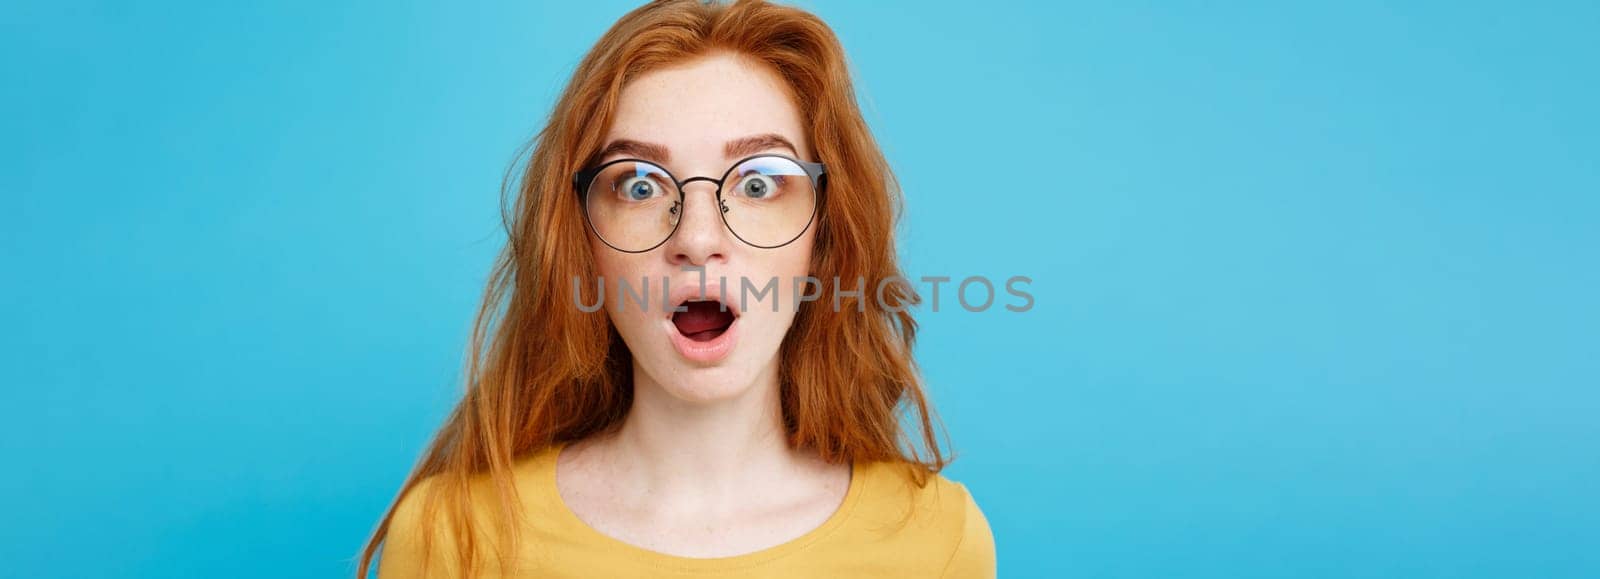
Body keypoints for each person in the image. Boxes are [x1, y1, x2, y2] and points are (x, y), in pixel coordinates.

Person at [357, 1, 995, 576]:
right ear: (582, 240)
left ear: (822, 237)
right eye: (639, 185)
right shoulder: (452, 537)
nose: (695, 237)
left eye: (758, 182)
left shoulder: (936, 540)